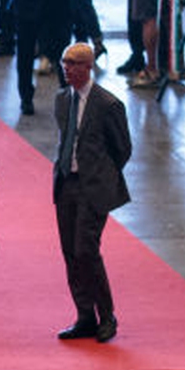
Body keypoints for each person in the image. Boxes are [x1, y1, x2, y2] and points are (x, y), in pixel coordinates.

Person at [51, 43, 131, 344]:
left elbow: (122, 149)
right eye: (64, 62)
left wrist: (101, 176)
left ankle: (106, 315)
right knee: (70, 251)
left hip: (92, 187)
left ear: (88, 67)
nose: (67, 68)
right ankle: (85, 316)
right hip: (66, 184)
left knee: (87, 250)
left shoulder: (108, 104)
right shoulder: (62, 100)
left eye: (73, 63)